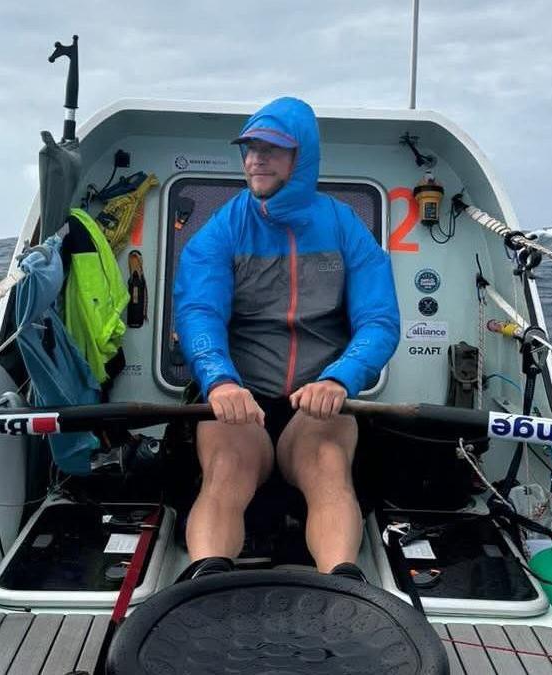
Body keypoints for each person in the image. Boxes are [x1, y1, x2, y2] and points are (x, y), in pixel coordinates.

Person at [173, 97, 399, 580]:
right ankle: (206, 581)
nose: (256, 158)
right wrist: (219, 383)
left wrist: (340, 380)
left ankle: (344, 586)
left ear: (302, 158)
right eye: (250, 147)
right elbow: (198, 314)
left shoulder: (343, 227)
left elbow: (379, 322)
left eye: (272, 149)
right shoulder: (223, 230)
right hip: (240, 400)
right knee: (226, 468)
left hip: (317, 405)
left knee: (328, 462)